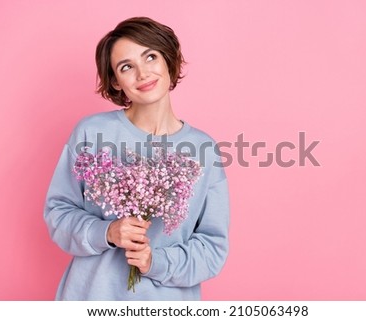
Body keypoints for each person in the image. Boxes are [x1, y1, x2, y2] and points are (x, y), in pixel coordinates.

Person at [44, 17, 230, 300]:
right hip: (92, 297)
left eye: (151, 57)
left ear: (169, 61)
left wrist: (155, 261)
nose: (142, 74)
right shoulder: (92, 133)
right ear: (116, 82)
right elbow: (58, 212)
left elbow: (212, 248)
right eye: (127, 66)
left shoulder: (202, 149)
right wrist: (107, 231)